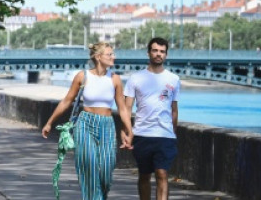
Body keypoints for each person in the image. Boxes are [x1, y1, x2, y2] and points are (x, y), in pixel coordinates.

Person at [41, 42, 133, 199]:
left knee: (107, 169)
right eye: (110, 54)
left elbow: (122, 108)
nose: (114, 57)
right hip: (85, 124)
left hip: (107, 125)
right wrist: (50, 122)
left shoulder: (115, 79)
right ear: (98, 57)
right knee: (88, 167)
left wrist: (129, 131)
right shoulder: (82, 76)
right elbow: (67, 101)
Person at [124, 37, 181, 200]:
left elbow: (174, 109)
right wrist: (126, 131)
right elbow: (127, 108)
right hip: (142, 134)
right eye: (155, 50)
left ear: (166, 55)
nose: (158, 54)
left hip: (165, 135)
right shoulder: (136, 78)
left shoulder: (174, 79)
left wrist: (173, 132)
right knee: (144, 175)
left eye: (162, 51)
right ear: (148, 53)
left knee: (162, 173)